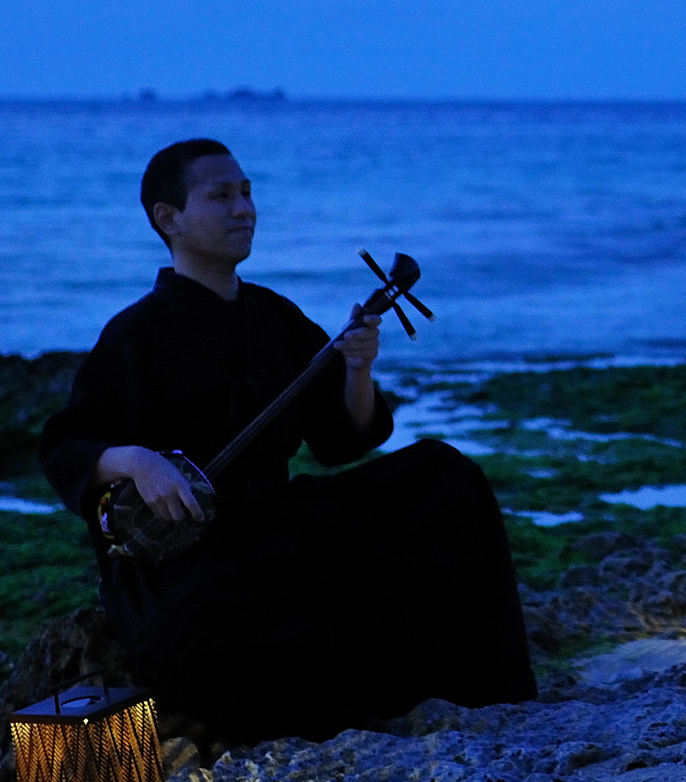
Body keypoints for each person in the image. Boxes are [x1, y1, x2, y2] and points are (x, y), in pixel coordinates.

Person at [40, 139, 536, 740]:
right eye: (220, 196)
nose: (243, 209)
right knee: (214, 626)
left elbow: (340, 441)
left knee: (443, 476)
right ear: (167, 219)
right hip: (188, 561)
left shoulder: (274, 316)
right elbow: (65, 446)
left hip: (272, 525)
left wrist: (357, 369)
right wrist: (136, 460)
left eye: (247, 193)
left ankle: (491, 687)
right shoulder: (134, 335)